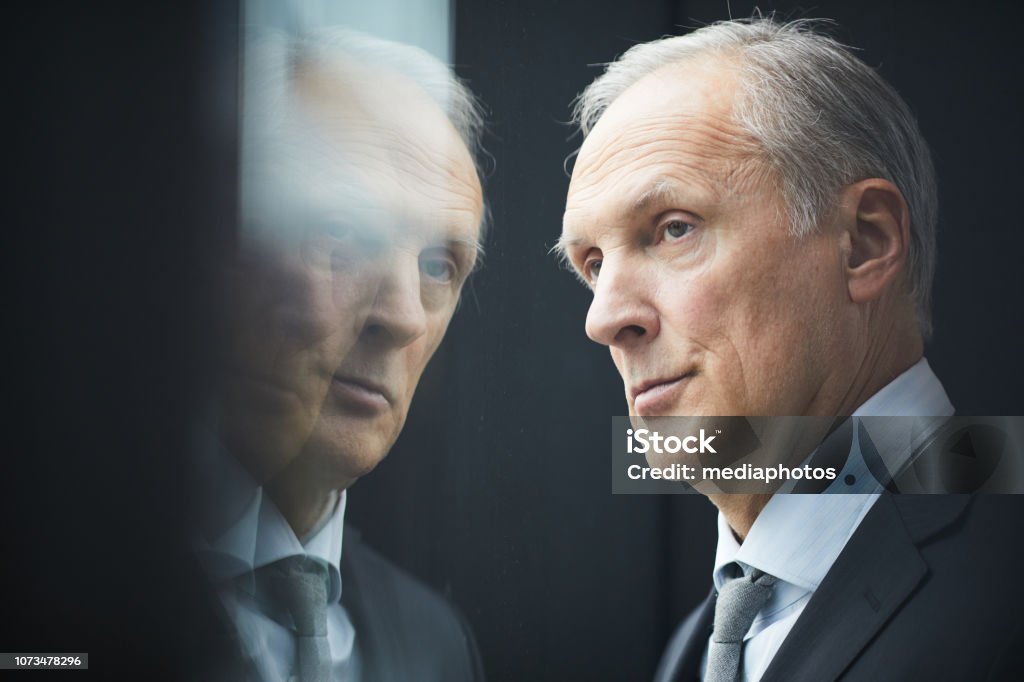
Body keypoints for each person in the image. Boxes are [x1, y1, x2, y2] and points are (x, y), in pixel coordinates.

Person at [558, 17, 1024, 681]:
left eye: (673, 229)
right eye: (594, 263)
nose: (604, 318)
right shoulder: (697, 646)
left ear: (865, 243)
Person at [191, 27, 487, 681]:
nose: (405, 315)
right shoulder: (51, 585)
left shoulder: (437, 644)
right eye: (342, 232)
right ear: (217, 242)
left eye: (439, 264)